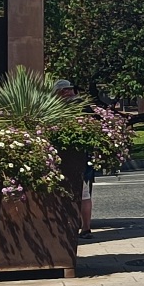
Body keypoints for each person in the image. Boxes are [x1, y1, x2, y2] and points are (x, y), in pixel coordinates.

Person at [55, 79, 94, 239]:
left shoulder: (61, 108)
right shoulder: (84, 106)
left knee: (73, 193)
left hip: (69, 158)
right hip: (86, 156)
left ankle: (70, 225)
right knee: (85, 193)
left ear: (62, 92)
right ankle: (85, 227)